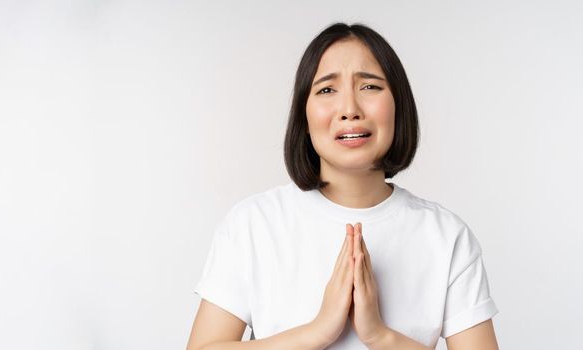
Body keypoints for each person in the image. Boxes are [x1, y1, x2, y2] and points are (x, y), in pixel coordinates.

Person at [186, 22, 499, 350]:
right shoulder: (254, 223)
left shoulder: (447, 236)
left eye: (370, 87)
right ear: (303, 118)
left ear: (399, 106)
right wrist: (318, 331)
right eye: (326, 90)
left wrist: (379, 335)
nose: (350, 110)